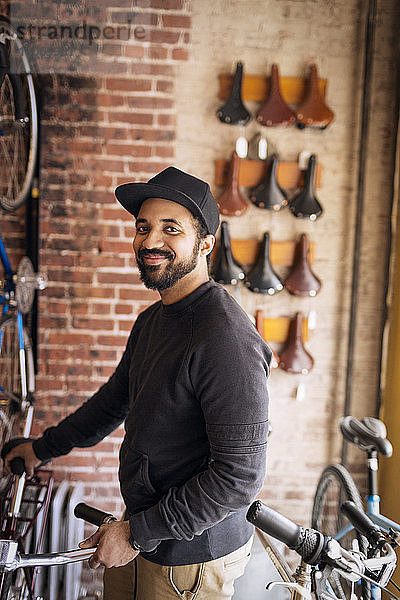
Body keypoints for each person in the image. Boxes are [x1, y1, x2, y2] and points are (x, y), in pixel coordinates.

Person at [3, 167, 271, 600]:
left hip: (192, 554)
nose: (150, 242)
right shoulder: (153, 321)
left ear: (205, 244)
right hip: (146, 525)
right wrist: (43, 448)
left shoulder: (225, 339)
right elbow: (112, 403)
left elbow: (240, 476)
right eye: (142, 227)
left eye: (171, 229)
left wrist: (133, 534)